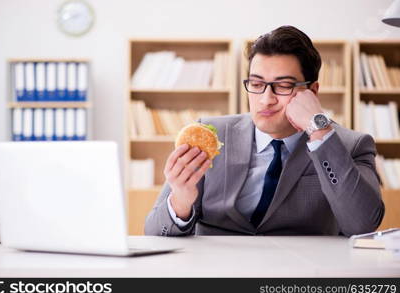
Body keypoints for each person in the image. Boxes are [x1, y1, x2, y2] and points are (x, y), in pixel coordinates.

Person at [144, 25, 384, 236]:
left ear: (312, 91)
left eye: (283, 86)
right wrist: (180, 203)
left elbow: (362, 225)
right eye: (256, 84)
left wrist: (319, 130)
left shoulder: (352, 145)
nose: (265, 100)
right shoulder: (210, 135)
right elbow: (154, 230)